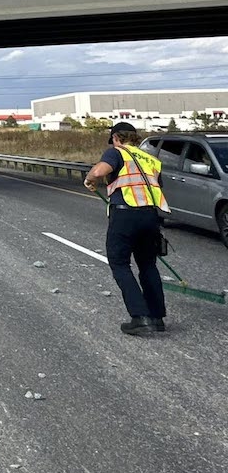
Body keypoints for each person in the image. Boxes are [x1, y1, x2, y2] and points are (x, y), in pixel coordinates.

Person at [83, 122, 170, 336]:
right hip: (150, 215)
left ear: (115, 138)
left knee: (120, 263)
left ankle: (140, 317)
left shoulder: (116, 152)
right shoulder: (150, 159)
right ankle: (157, 317)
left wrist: (90, 179)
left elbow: (100, 170)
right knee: (148, 265)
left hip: (125, 214)